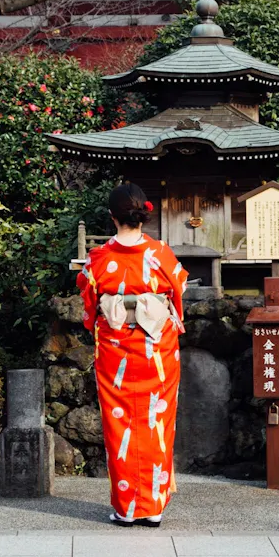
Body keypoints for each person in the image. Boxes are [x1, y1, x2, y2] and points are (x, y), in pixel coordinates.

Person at [76, 183, 189, 527]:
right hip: (157, 349)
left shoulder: (98, 258)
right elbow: (178, 292)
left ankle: (127, 507)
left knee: (119, 421)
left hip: (115, 349)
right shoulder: (161, 254)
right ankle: (153, 505)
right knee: (156, 421)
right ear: (143, 216)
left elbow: (89, 305)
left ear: (112, 217)